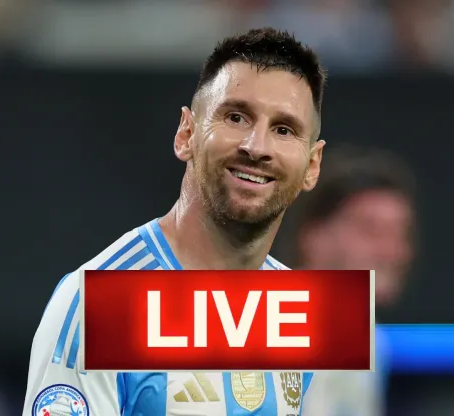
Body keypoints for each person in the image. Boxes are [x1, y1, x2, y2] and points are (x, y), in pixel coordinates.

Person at [22, 27, 327, 416]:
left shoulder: (299, 312)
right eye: (235, 117)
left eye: (283, 129)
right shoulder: (101, 306)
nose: (256, 147)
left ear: (312, 165)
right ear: (187, 134)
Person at [280, 145, 417, 416]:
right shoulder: (259, 327)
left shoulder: (369, 338)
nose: (393, 252)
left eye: (401, 234)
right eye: (371, 230)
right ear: (313, 237)